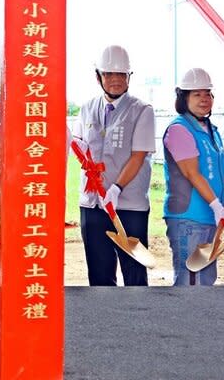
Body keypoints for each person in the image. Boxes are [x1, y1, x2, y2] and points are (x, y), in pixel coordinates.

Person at [163, 68, 224, 285]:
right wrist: (217, 206)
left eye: (208, 94)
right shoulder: (179, 130)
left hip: (209, 218)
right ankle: (183, 320)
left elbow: (210, 166)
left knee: (205, 279)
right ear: (184, 98)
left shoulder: (209, 129)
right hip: (188, 219)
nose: (204, 99)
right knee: (188, 281)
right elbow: (191, 172)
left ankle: (201, 319)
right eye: (197, 94)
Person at [72, 45, 155, 286]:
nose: (115, 80)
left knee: (135, 273)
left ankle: (138, 319)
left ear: (130, 77)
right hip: (93, 204)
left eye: (122, 74)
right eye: (109, 74)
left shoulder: (142, 111)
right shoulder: (87, 109)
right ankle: (104, 322)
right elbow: (78, 145)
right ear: (98, 76)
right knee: (99, 274)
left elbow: (138, 155)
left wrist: (116, 188)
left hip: (129, 205)